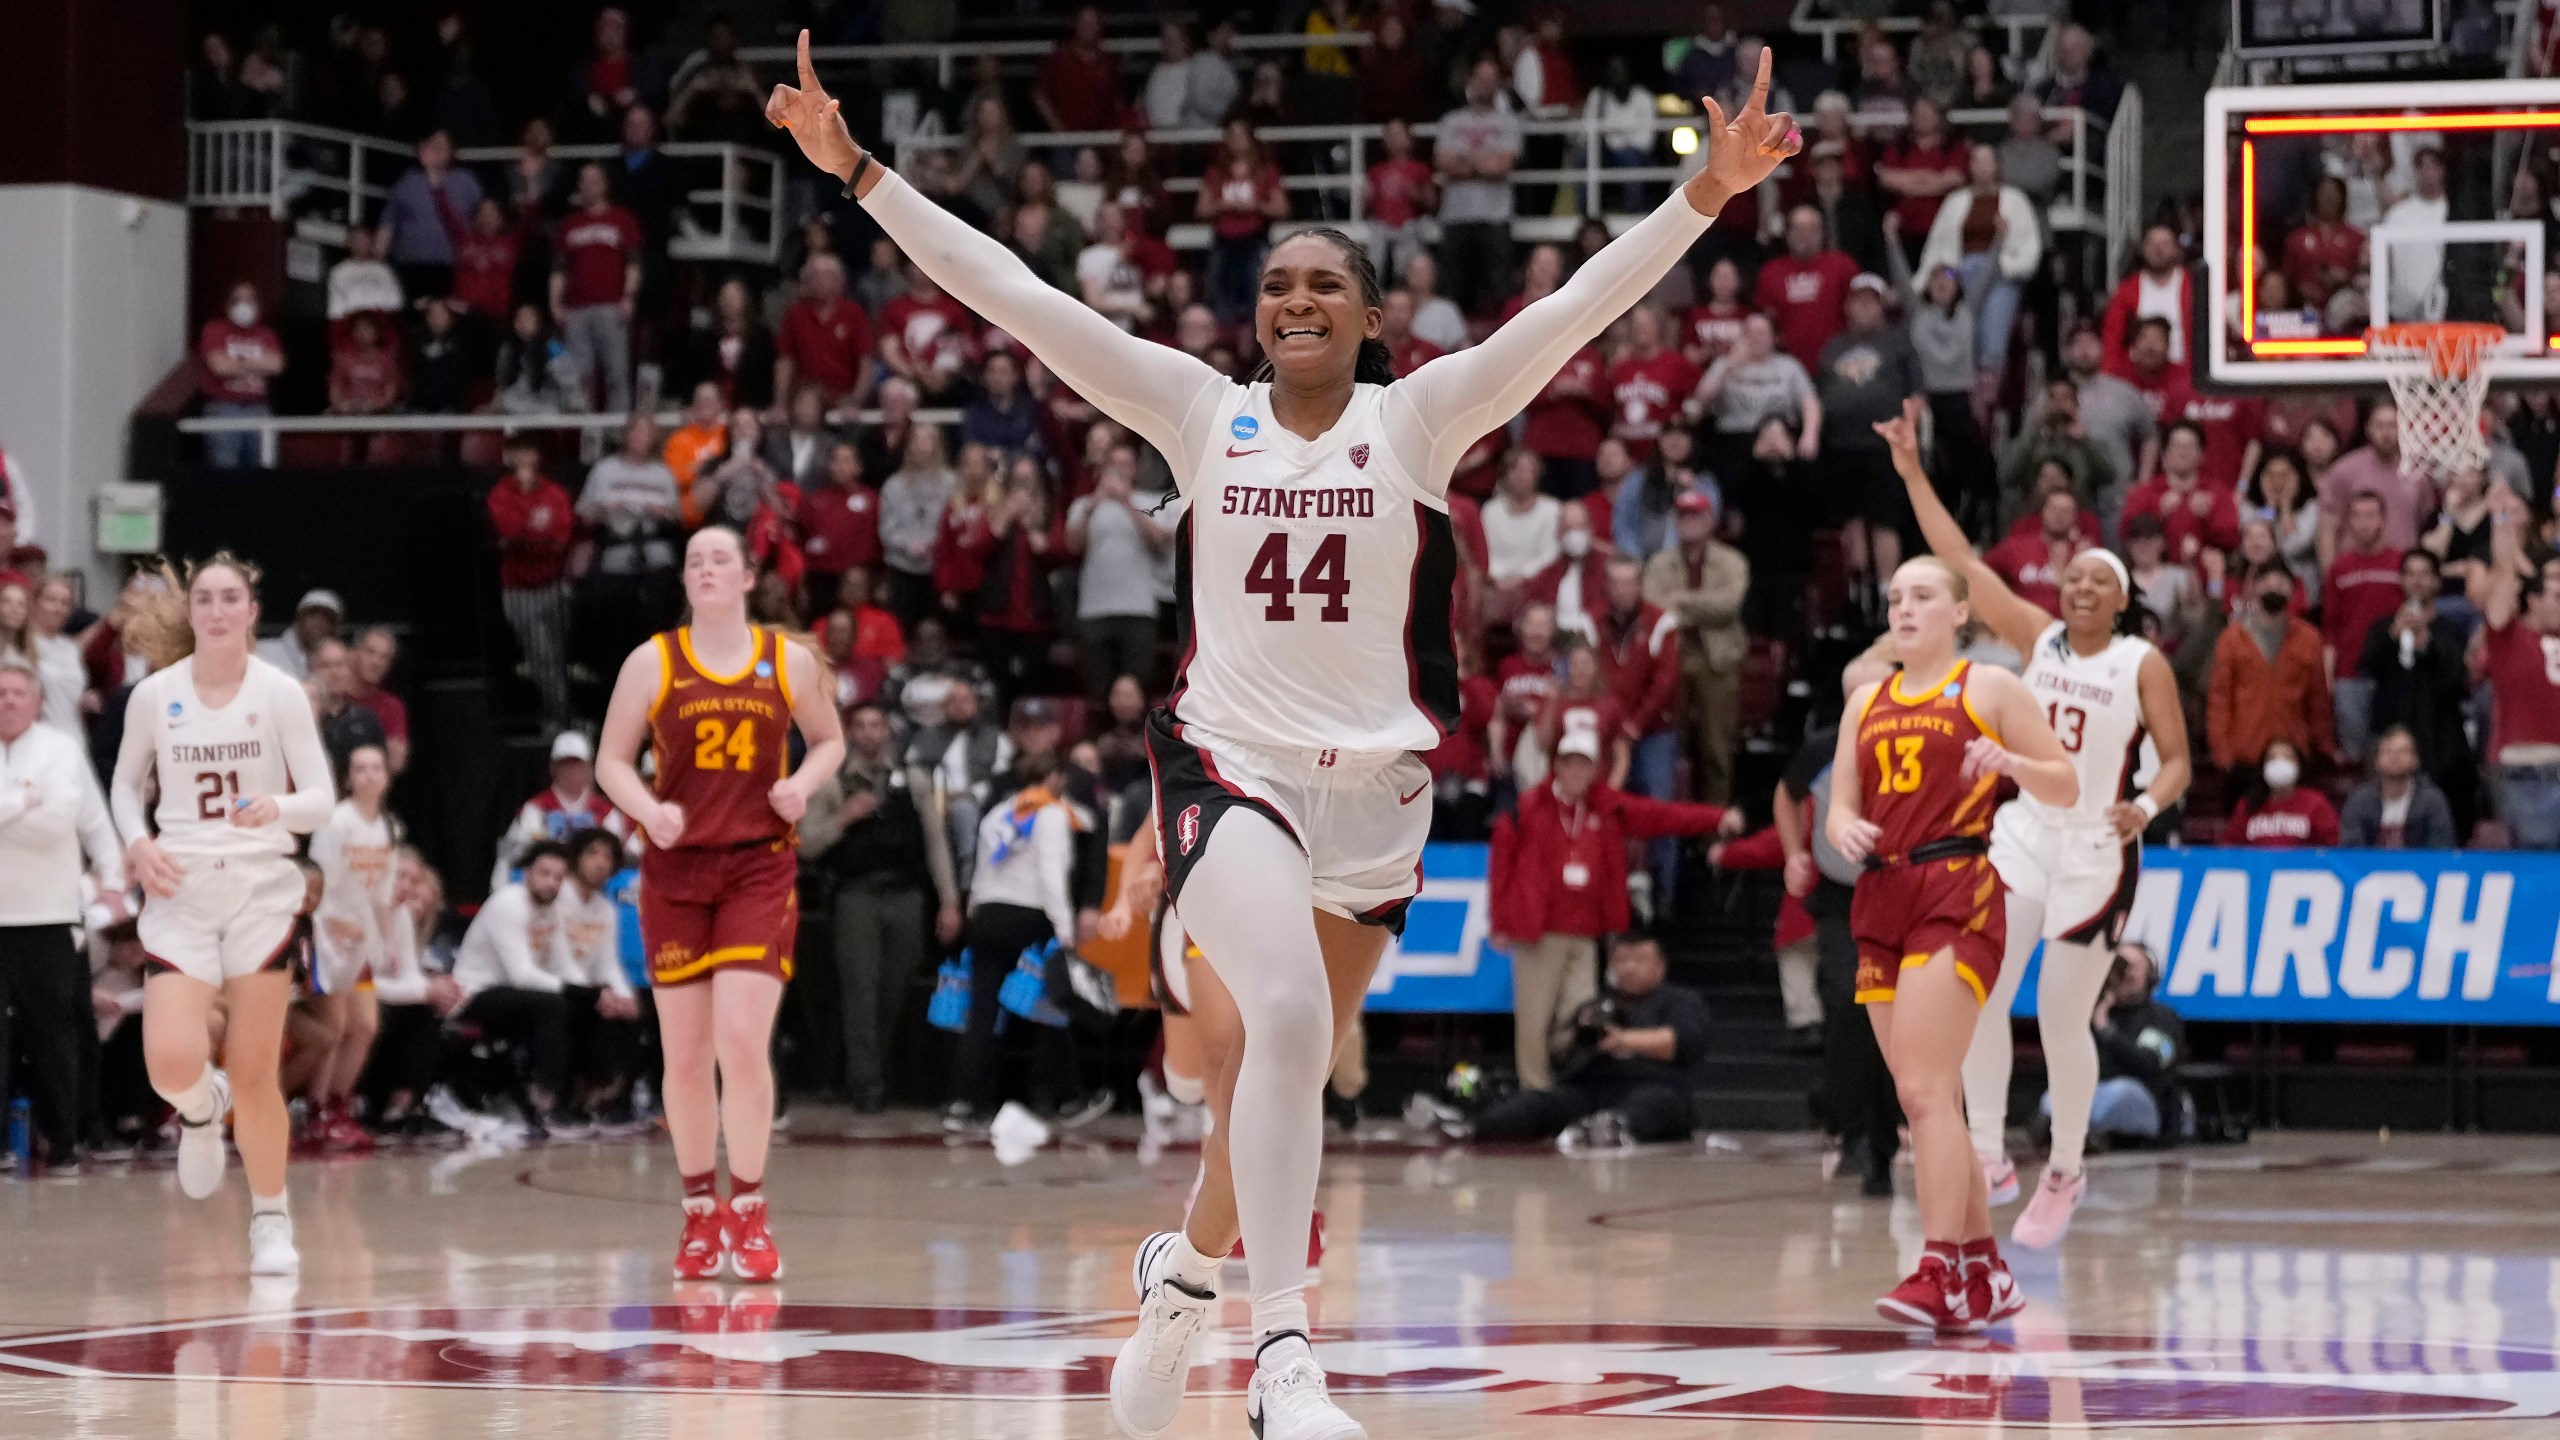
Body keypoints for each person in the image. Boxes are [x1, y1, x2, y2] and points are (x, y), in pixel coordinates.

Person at [765, 35, 1797, 1440]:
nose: (1296, 298)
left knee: (1283, 1068)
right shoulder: (1202, 415)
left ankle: (1181, 1285)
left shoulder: (1420, 419)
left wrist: (1704, 200)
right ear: (1256, 319)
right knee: (1291, 1020)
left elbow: (1569, 317)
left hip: (1378, 797)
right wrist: (864, 176)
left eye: (1326, 283)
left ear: (1374, 318)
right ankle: (1285, 1361)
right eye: (1277, 285)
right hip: (1224, 770)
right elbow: (1015, 299)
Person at [1880, 400, 2192, 1250]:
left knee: (2063, 1018)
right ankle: (1987, 1151)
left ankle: (2064, 1169)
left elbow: (2176, 761)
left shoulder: (2143, 662)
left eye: (2100, 578)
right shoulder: (2038, 638)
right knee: (1979, 996)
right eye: (2074, 576)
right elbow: (1958, 562)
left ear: (2123, 600)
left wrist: (2148, 806)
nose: (2082, 585)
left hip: (2097, 845)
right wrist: (1912, 470)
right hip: (2020, 834)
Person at [1824, 556, 2076, 1329]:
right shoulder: (1864, 700)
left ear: (1959, 613)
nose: (1904, 609)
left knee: (1928, 1090)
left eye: (1922, 596)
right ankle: (1987, 1273)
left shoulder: (1988, 687)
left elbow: (2064, 782)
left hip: (1956, 886)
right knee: (1926, 1098)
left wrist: (2013, 762)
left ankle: (1938, 1268)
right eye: (1896, 598)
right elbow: (1838, 809)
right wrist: (1844, 827)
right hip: (1881, 894)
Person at [595, 527, 843, 1281]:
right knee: (687, 1054)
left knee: (741, 1041)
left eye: (720, 559)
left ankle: (750, 1204)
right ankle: (699, 1209)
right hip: (674, 874)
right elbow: (610, 760)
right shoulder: (652, 660)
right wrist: (646, 807)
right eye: (694, 560)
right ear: (687, 580)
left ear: (746, 578)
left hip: (756, 870)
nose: (705, 568)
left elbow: (830, 742)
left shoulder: (787, 661)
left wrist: (802, 784)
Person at [110, 554, 337, 1274]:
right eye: (203, 597)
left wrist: (279, 806)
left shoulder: (279, 694)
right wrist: (137, 842)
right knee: (170, 1065)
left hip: (259, 892)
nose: (214, 608)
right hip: (179, 888)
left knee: (254, 1071)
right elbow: (122, 786)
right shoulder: (154, 695)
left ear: (249, 610)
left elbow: (322, 796)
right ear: (193, 613)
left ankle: (271, 1219)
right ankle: (200, 1114)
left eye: (228, 597)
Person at [1486, 725, 1736, 1092]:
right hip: (1540, 931)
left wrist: (1715, 818)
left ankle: (1569, 1089)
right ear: (1556, 765)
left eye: (1584, 765)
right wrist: (1499, 921)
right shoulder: (1527, 809)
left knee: (1580, 1018)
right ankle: (1534, 1093)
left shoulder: (1607, 807)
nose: (1577, 773)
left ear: (1596, 769)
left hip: (1588, 934)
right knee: (1534, 1018)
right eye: (1569, 764)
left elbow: (1661, 816)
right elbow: (1500, 866)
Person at [801, 701, 960, 1111]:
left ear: (888, 731)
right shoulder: (833, 781)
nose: (870, 733)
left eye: (877, 725)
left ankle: (869, 1070)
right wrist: (844, 818)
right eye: (861, 726)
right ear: (850, 733)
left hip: (907, 896)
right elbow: (805, 845)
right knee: (860, 992)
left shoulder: (915, 780)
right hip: (858, 897)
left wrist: (949, 901)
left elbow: (936, 843)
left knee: (895, 990)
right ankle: (866, 1085)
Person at [0, 659, 124, 1171]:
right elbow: (43, 815)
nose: (7, 701)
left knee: (54, 1034)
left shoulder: (61, 750)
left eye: (17, 694)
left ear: (37, 702)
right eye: (0, 693)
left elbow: (75, 821)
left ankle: (65, 1140)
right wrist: (25, 802)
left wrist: (114, 880)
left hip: (48, 916)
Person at [1428, 929, 1712, 1148]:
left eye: (1639, 960)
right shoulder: (1600, 1004)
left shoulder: (1680, 1001)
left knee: (1656, 1103)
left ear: (1660, 966)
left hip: (1654, 1083)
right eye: (1622, 960)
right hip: (1595, 1086)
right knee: (1541, 1102)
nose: (1629, 968)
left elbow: (1681, 1042)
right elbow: (1566, 1057)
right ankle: (1472, 1125)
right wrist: (1577, 1039)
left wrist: (1623, 1040)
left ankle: (1614, 1127)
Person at [449, 839, 589, 1129]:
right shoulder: (508, 904)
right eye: (544, 873)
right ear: (527, 874)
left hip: (516, 997)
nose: (550, 882)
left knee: (585, 1007)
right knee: (553, 1003)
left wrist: (596, 995)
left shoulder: (553, 910)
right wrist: (579, 992)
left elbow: (565, 965)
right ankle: (544, 1100)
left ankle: (586, 1098)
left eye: (558, 877)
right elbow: (521, 975)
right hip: (474, 994)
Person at [304, 741, 401, 1149]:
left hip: (362, 939)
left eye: (376, 767)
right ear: (348, 778)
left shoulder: (389, 826)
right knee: (337, 1025)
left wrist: (387, 939)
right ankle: (316, 1113)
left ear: (386, 776)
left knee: (364, 1027)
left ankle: (339, 1106)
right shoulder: (336, 821)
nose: (368, 775)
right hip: (330, 937)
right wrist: (329, 925)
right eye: (360, 768)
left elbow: (384, 891)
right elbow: (316, 880)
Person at [1641, 489, 1749, 806]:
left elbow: (1729, 605)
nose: (1689, 522)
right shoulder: (1659, 563)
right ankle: (1676, 828)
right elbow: (1653, 608)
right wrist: (1700, 607)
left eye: (1696, 515)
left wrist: (1681, 602)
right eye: (1683, 515)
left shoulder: (1731, 561)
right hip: (1670, 661)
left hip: (1717, 661)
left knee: (1716, 750)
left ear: (1710, 520)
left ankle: (1715, 830)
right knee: (1671, 748)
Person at [2475, 488, 2560, 848]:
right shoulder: (2510, 638)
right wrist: (2501, 523)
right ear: (2535, 600)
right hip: (2525, 769)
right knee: (2537, 863)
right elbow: (2505, 577)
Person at [2045, 942, 2185, 1148]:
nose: (2124, 975)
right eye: (2117, 967)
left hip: (2143, 1099)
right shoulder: (2089, 1013)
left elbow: (2148, 1063)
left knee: (2121, 1093)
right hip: (2093, 1093)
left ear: (2150, 975)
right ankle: (2080, 1134)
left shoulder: (2161, 1017)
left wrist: (2106, 1030)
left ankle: (2075, 1131)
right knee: (2052, 1097)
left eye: (2132, 967)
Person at [2207, 562, 2335, 778]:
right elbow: (2219, 699)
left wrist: (2323, 745)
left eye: (2281, 583)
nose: (2274, 588)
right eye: (2268, 582)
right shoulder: (2232, 639)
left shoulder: (2309, 639)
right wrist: (2222, 750)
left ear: (2293, 591)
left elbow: (2318, 700)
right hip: (2244, 755)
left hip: (2293, 752)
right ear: (2255, 588)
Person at [1433, 58, 1525, 317]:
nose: (1485, 84)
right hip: (1455, 217)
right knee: (1452, 290)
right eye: (1480, 78)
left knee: (1498, 290)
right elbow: (1442, 162)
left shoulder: (1508, 122)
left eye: (1490, 78)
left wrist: (1464, 162)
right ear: (1470, 81)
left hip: (1495, 218)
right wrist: (1484, 162)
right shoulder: (1451, 121)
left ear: (1498, 84)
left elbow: (1503, 166)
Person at [198, 283, 286, 470]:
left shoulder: (266, 334)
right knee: (225, 471)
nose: (243, 305)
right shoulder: (214, 330)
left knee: (263, 470)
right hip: (223, 408)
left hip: (259, 408)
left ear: (259, 306)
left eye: (250, 299)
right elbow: (220, 367)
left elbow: (277, 366)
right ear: (227, 305)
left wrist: (237, 362)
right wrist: (258, 364)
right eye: (237, 300)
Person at [2340, 725, 2459, 847]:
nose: (2394, 757)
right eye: (2388, 751)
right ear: (2376, 760)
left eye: (2402, 751)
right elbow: (2351, 850)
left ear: (2415, 759)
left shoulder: (2432, 801)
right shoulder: (2359, 800)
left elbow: (2441, 848)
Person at [2226, 739, 2339, 847]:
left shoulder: (2316, 803)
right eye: (2272, 758)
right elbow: (2230, 848)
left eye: (2287, 758)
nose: (2279, 764)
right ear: (2263, 767)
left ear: (2299, 766)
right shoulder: (2247, 805)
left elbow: (2332, 846)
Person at [256, 590, 342, 682]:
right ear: (299, 619)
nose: (318, 623)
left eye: (327, 619)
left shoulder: (337, 666)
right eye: (313, 615)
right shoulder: (263, 650)